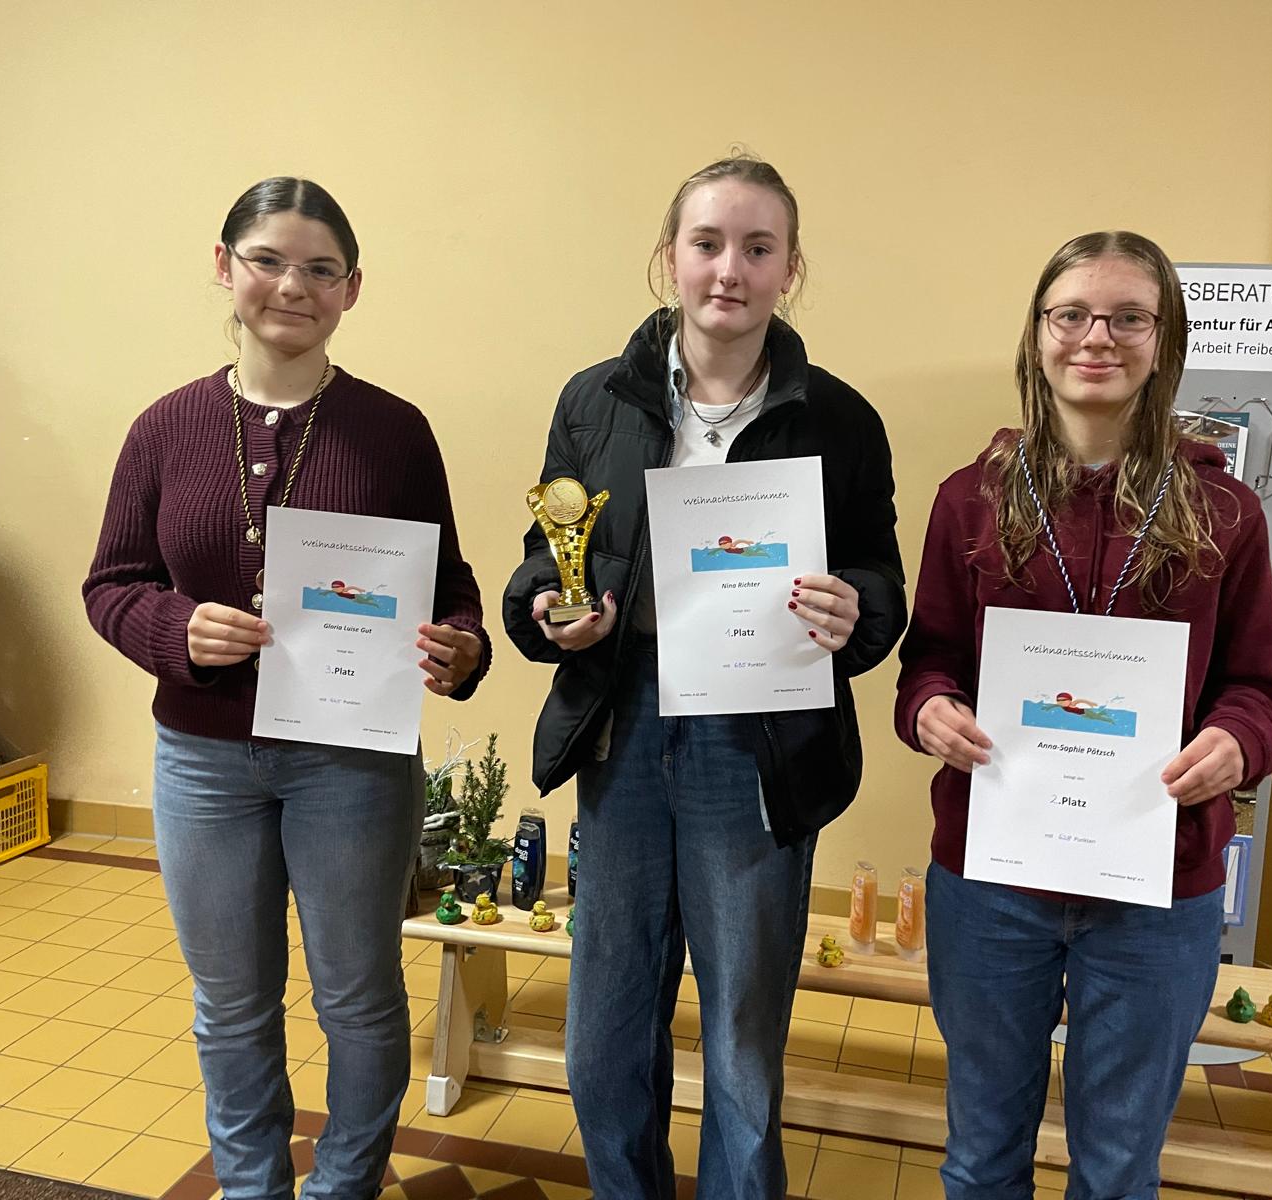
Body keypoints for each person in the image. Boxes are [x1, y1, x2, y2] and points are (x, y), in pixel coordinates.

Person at [503, 154, 906, 1199]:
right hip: (626, 728)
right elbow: (547, 555)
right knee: (604, 1032)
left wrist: (854, 609)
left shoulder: (840, 419)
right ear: (668, 257)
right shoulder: (594, 400)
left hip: (760, 742)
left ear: (789, 269)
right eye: (708, 243)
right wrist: (551, 610)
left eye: (757, 248)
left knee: (739, 1038)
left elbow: (879, 578)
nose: (730, 269)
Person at [83, 177, 490, 1200]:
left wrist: (461, 648)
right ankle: (253, 1186)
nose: (292, 286)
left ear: (352, 288)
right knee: (230, 1006)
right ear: (225, 266)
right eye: (268, 260)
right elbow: (111, 585)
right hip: (203, 762)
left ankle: (344, 1184)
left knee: (356, 998)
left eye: (320, 268)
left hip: (353, 762)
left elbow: (450, 590)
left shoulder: (394, 432)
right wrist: (176, 630)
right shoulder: (165, 427)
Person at [895, 231, 1272, 1199]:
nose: (1096, 337)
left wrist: (1236, 743)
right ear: (1037, 335)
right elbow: (927, 661)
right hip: (992, 879)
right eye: (1070, 314)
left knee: (1115, 1171)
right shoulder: (969, 502)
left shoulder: (1226, 511)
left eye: (1127, 317)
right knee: (980, 1161)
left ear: (1165, 340)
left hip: (1156, 886)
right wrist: (931, 710)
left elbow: (1256, 690)